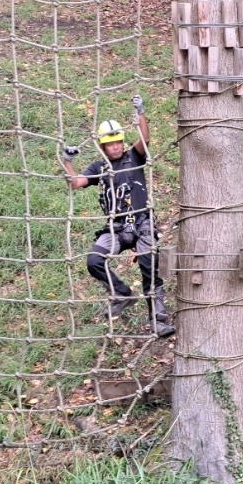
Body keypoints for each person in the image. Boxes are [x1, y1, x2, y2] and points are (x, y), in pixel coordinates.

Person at [61, 96, 175, 338]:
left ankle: (158, 320)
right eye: (110, 144)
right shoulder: (99, 168)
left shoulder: (133, 157)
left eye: (118, 142)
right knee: (94, 260)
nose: (115, 147)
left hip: (142, 223)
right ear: (103, 147)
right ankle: (122, 294)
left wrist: (140, 112)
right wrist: (67, 161)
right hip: (116, 227)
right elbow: (75, 183)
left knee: (149, 265)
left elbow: (145, 139)